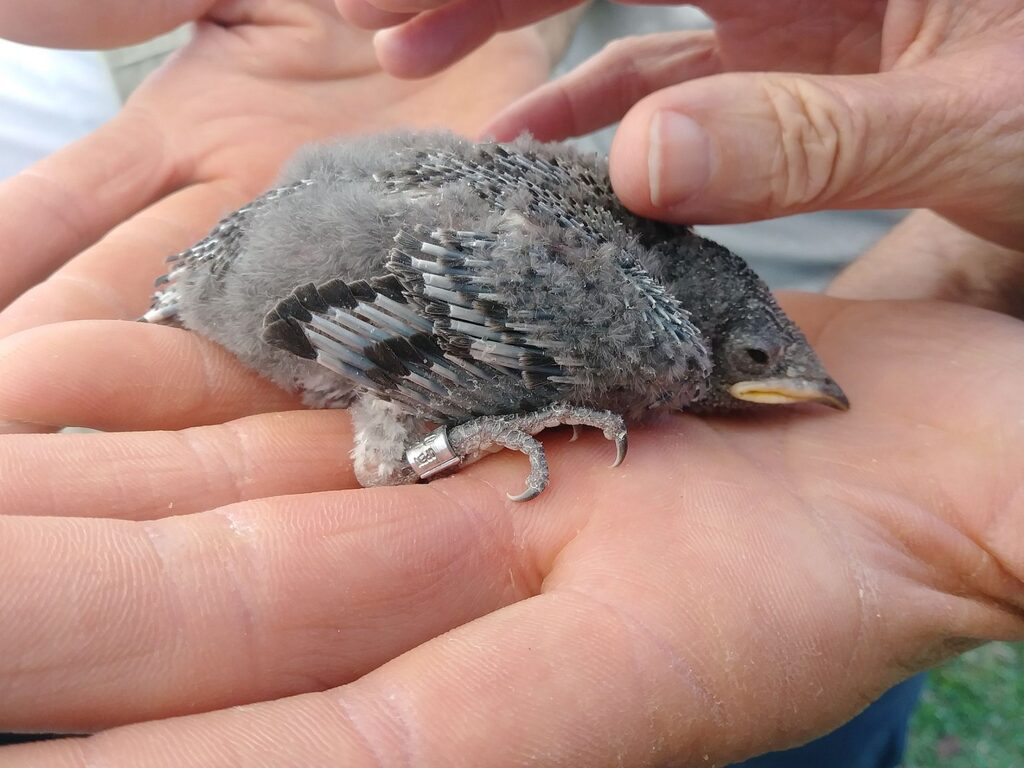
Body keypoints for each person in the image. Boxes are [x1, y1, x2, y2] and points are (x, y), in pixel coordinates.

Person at [0, 1, 1021, 765]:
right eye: (757, 362)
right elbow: (376, 329)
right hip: (316, 281)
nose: (789, 380)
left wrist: (980, 263)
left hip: (837, 373)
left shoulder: (658, 299)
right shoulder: (647, 342)